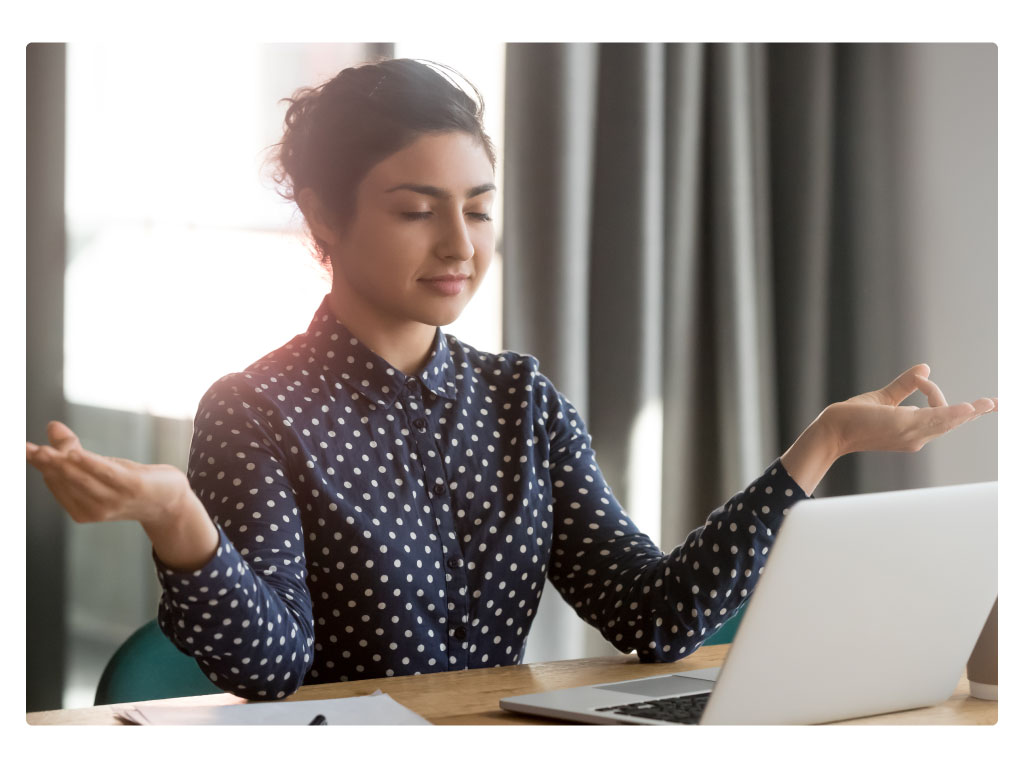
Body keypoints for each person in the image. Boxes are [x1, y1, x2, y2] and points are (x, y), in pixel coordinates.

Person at [26, 58, 997, 701]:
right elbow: (273, 669)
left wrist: (818, 445)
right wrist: (176, 519)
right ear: (323, 218)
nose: (460, 244)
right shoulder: (255, 409)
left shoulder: (519, 400)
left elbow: (655, 615)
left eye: (479, 208)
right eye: (417, 210)